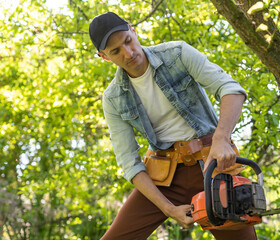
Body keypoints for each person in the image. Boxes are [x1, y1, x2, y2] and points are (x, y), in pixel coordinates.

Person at [89, 11, 257, 240]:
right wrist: (167, 208)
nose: (128, 53)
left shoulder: (177, 53)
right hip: (163, 178)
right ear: (104, 57)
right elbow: (129, 162)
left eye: (127, 41)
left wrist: (221, 139)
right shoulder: (113, 98)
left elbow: (231, 90)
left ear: (133, 30)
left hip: (212, 165)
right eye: (115, 51)